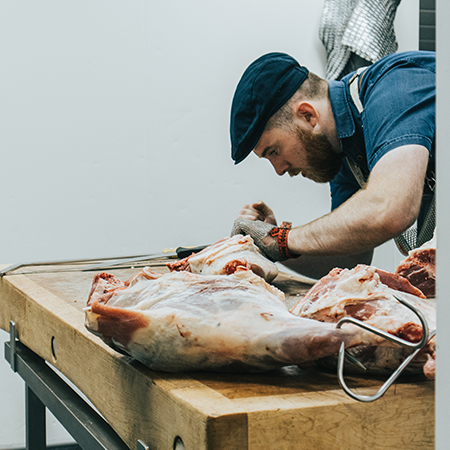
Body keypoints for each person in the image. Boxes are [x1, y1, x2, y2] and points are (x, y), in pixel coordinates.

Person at [229, 51, 436, 280]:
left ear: (307, 115)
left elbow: (390, 208)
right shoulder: (342, 150)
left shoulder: (395, 86)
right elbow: (350, 258)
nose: (279, 169)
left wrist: (280, 238)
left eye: (274, 151)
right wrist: (271, 245)